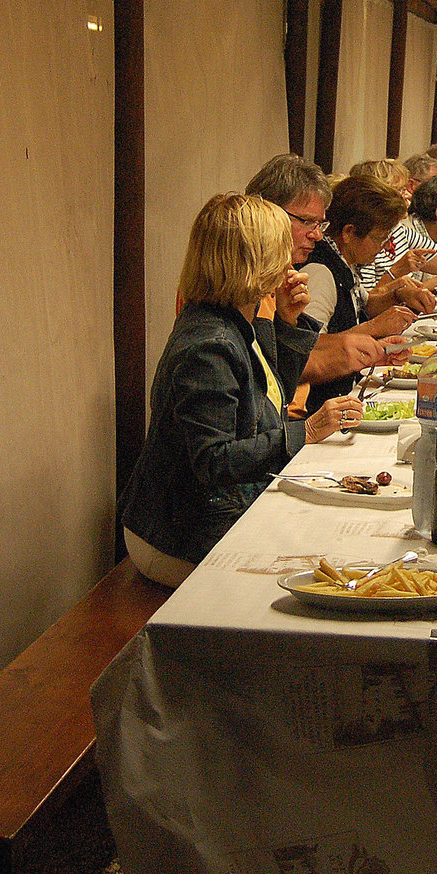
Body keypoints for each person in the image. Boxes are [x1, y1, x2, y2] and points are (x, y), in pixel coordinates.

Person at [120, 194, 361, 587]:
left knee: (338, 534)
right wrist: (309, 431)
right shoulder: (209, 343)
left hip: (214, 510)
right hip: (177, 535)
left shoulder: (237, 317)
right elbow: (213, 461)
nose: (291, 259)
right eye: (279, 249)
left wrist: (287, 320)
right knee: (329, 569)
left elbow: (272, 399)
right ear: (255, 260)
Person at [246, 154, 427, 398]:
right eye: (308, 222)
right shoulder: (313, 273)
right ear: (268, 214)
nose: (318, 235)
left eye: (320, 223)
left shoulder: (293, 272)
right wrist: (371, 331)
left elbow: (290, 361)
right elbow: (306, 360)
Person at [301, 177, 420, 408]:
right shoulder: (320, 273)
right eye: (379, 238)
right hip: (324, 407)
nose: (386, 246)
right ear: (349, 232)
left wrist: (397, 295)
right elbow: (309, 348)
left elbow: (363, 305)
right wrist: (373, 329)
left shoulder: (344, 261)